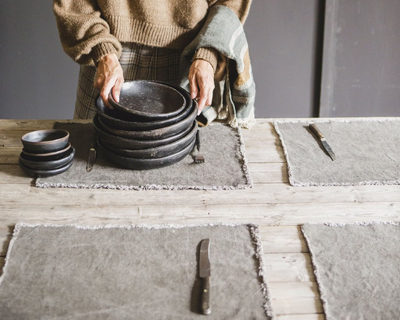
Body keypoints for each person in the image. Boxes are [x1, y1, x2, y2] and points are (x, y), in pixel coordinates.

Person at [53, 0, 252, 120]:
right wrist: (102, 50)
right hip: (110, 60)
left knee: (184, 174)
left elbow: (230, 3)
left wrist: (208, 54)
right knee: (89, 165)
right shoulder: (105, 55)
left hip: (190, 63)